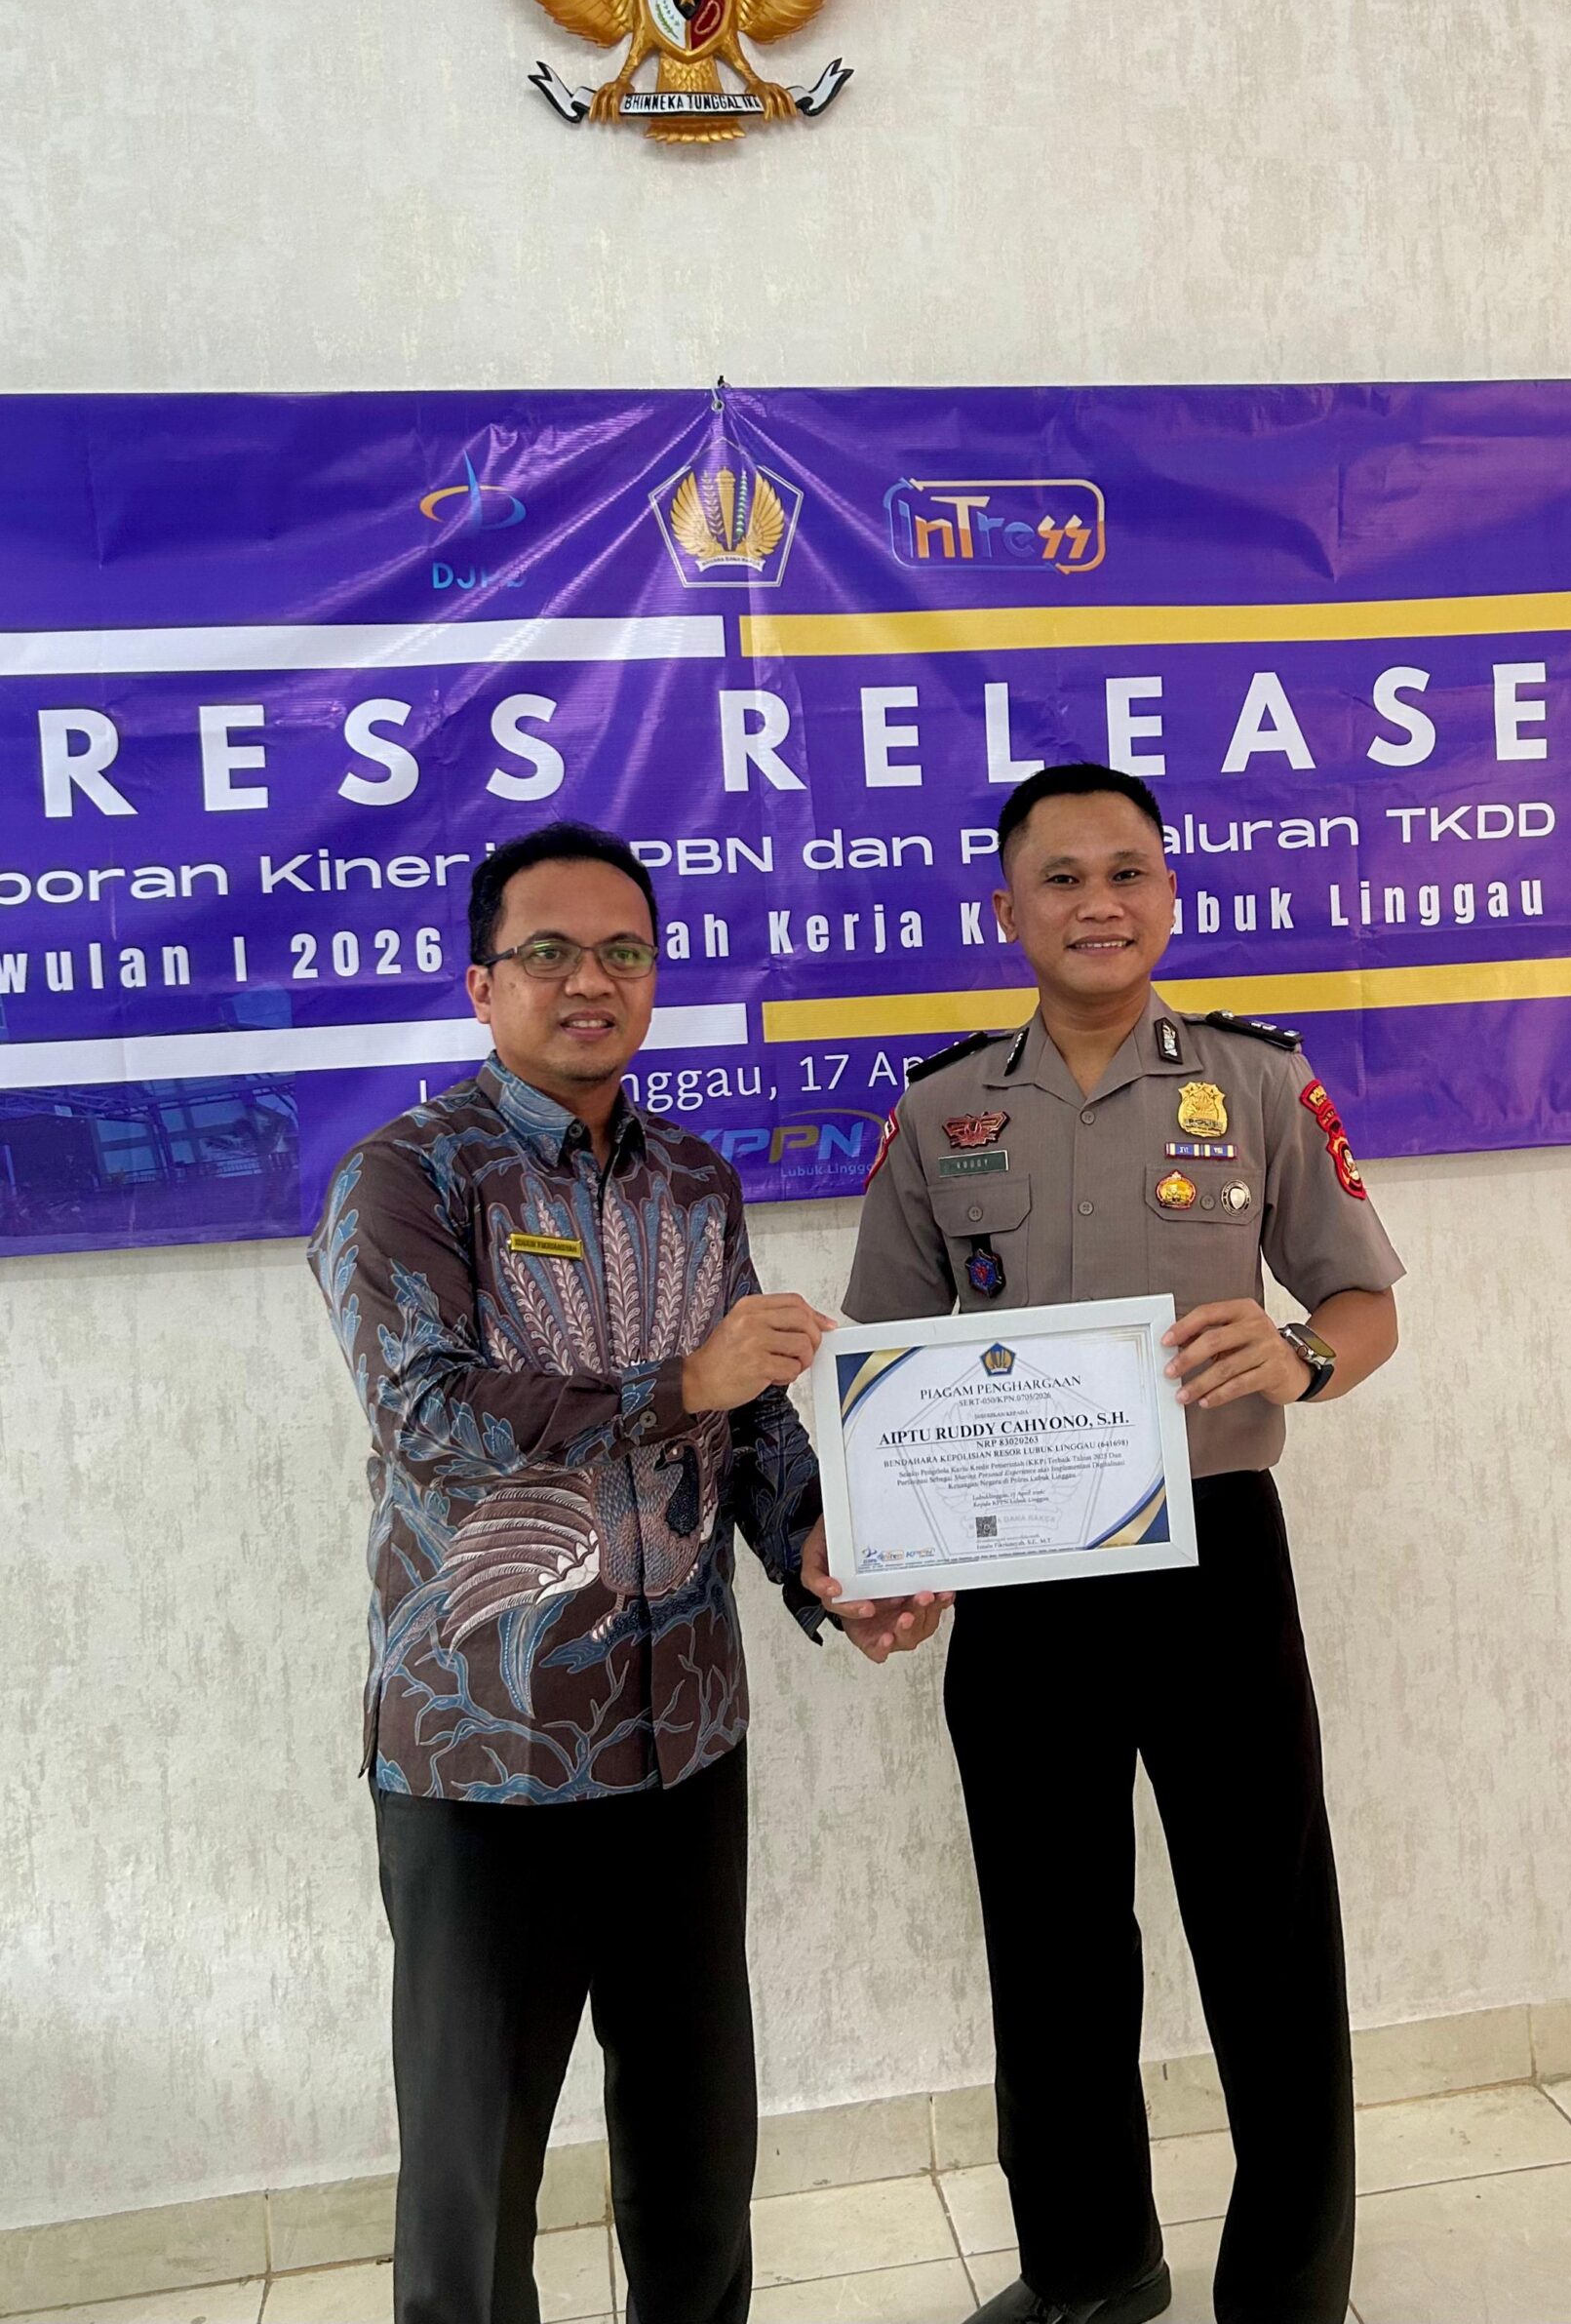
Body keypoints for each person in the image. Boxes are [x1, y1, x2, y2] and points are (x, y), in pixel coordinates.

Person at [307, 819, 931, 2324]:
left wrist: (817, 1554)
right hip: (487, 1753)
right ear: (482, 983)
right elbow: (432, 1422)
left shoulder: (692, 1181)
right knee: (476, 2174)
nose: (590, 980)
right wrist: (680, 1383)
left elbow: (751, 1417)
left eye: (623, 953)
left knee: (695, 2150)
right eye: (549, 952)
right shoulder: (404, 1179)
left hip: (682, 1743)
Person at [845, 763, 1405, 2324]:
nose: (1097, 903)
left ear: (1166, 895)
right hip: (1022, 1579)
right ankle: (1090, 2269)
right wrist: (885, 1548)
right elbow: (884, 1358)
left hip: (1214, 1558)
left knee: (1266, 1931)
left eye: (1126, 873)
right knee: (1050, 1941)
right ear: (1005, 911)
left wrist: (1299, 1356)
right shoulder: (940, 1109)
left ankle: (1287, 2288)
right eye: (1061, 878)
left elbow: (1361, 1304)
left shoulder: (1257, 1085)